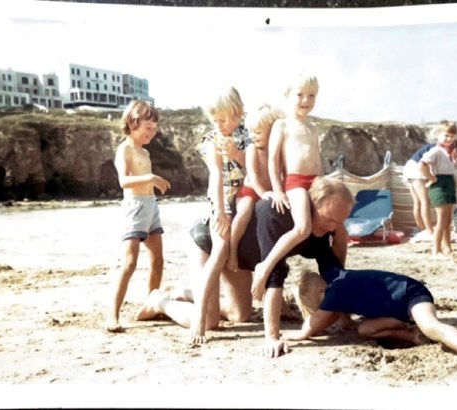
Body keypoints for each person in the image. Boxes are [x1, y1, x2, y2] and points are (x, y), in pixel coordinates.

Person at [142, 176, 353, 353]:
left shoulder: (323, 227)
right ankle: (159, 301)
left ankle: (184, 292)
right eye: (330, 219)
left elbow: (330, 266)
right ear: (310, 204)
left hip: (239, 260)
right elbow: (273, 274)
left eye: (339, 221)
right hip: (211, 242)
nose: (333, 227)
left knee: (240, 315)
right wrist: (272, 337)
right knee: (209, 321)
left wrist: (344, 312)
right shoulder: (277, 213)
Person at [290, 270, 457, 365]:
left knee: (431, 325)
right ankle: (412, 334)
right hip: (394, 311)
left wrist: (302, 333)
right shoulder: (340, 288)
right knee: (364, 330)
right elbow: (339, 320)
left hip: (410, 294)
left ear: (321, 290)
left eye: (318, 307)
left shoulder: (336, 288)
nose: (323, 310)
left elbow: (315, 323)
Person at [251, 72, 324, 301]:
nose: (306, 100)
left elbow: (318, 159)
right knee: (302, 227)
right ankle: (266, 266)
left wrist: (325, 185)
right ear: (287, 95)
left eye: (311, 95)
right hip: (296, 181)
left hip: (316, 181)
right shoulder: (282, 125)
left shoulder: (312, 128)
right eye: (300, 95)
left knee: (339, 230)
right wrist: (278, 190)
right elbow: (274, 160)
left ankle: (337, 281)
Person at [189, 85, 250, 343]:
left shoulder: (249, 136)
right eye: (215, 120)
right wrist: (219, 212)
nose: (219, 125)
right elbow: (216, 177)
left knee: (242, 315)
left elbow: (257, 170)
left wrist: (237, 154)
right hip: (223, 201)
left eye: (223, 119)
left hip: (245, 202)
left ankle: (188, 293)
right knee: (221, 247)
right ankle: (195, 315)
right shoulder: (212, 139)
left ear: (237, 113)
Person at [105, 100, 171, 333]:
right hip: (134, 208)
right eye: (148, 128)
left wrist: (152, 183)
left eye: (155, 128)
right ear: (133, 123)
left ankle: (150, 306)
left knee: (158, 261)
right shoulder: (126, 149)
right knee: (130, 263)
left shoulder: (145, 151)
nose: (152, 133)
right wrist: (152, 178)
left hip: (150, 206)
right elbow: (123, 181)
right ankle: (112, 315)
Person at [226, 104, 285, 272]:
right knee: (244, 212)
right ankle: (232, 250)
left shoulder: (278, 151)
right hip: (251, 192)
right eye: (251, 132)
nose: (253, 136)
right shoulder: (252, 149)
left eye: (258, 132)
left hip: (269, 192)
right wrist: (263, 193)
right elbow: (253, 177)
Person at [419, 121, 457, 257]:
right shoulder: (436, 151)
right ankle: (436, 251)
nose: (449, 139)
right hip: (440, 185)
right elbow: (421, 166)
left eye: (452, 136)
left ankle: (447, 248)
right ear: (437, 135)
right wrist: (432, 178)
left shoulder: (448, 152)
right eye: (446, 135)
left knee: (448, 220)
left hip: (449, 183)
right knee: (441, 220)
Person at [402, 142, 436, 241]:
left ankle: (422, 230)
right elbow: (425, 164)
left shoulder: (433, 146)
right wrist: (432, 178)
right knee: (425, 202)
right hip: (417, 169)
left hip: (409, 167)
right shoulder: (438, 148)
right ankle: (429, 231)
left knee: (417, 203)